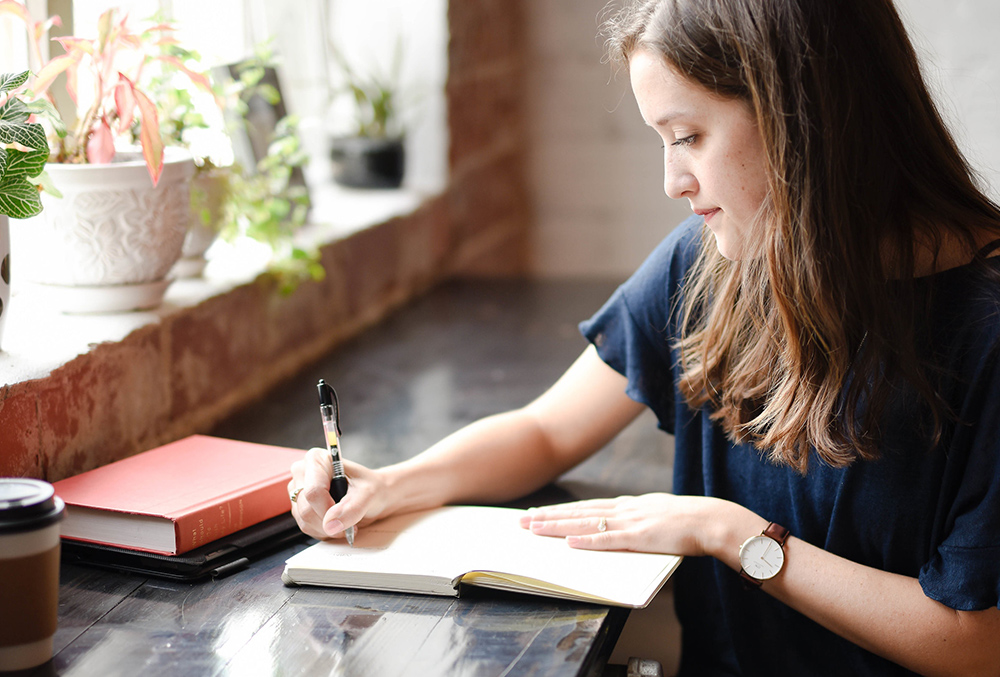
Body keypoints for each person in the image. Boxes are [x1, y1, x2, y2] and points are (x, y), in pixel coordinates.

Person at [290, 0, 1000, 673]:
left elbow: (975, 642)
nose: (672, 181)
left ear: (804, 117)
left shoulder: (986, 330)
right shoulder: (712, 262)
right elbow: (546, 430)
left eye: (689, 136)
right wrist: (390, 485)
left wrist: (732, 533)